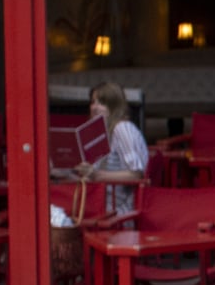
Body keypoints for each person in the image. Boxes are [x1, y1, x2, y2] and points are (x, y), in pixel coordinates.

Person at [58, 83, 148, 216]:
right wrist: (64, 174)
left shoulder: (122, 128)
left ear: (114, 107)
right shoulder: (101, 134)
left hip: (121, 211)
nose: (94, 107)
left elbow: (136, 174)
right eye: (93, 102)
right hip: (100, 204)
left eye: (102, 103)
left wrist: (96, 174)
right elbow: (93, 178)